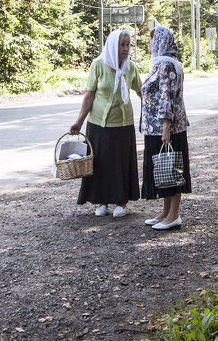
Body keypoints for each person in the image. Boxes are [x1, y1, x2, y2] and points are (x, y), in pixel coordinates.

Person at [70, 30, 142, 217]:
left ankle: (121, 202)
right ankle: (101, 201)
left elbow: (142, 91)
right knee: (100, 163)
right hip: (98, 124)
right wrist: (79, 121)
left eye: (128, 45)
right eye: (122, 45)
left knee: (120, 164)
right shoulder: (98, 65)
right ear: (112, 46)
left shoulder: (130, 67)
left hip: (123, 124)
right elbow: (90, 95)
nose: (126, 49)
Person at [139, 25, 191, 230]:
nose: (150, 43)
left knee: (172, 169)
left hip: (165, 128)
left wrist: (166, 127)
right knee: (164, 170)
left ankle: (174, 215)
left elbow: (166, 96)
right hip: (157, 128)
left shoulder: (166, 65)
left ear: (161, 41)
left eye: (152, 39)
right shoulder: (165, 63)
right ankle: (165, 212)